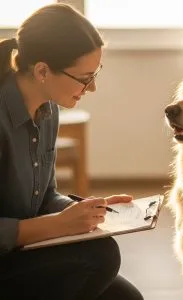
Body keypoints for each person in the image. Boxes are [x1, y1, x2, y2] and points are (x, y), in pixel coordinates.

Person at [0, 3, 143, 300]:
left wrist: (88, 210)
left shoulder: (47, 109)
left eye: (95, 74)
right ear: (42, 71)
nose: (91, 89)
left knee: (126, 298)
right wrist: (57, 225)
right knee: (100, 256)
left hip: (16, 252)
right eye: (84, 77)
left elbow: (44, 196)